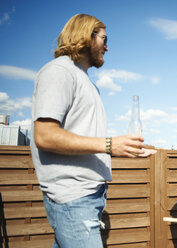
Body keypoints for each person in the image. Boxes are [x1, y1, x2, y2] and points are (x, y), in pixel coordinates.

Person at [31, 14, 155, 248]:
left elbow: (84, 139)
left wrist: (122, 149)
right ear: (86, 37)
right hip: (72, 197)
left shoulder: (85, 80)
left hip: (87, 195)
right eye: (104, 39)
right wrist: (109, 145)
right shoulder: (59, 72)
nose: (107, 47)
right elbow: (44, 135)